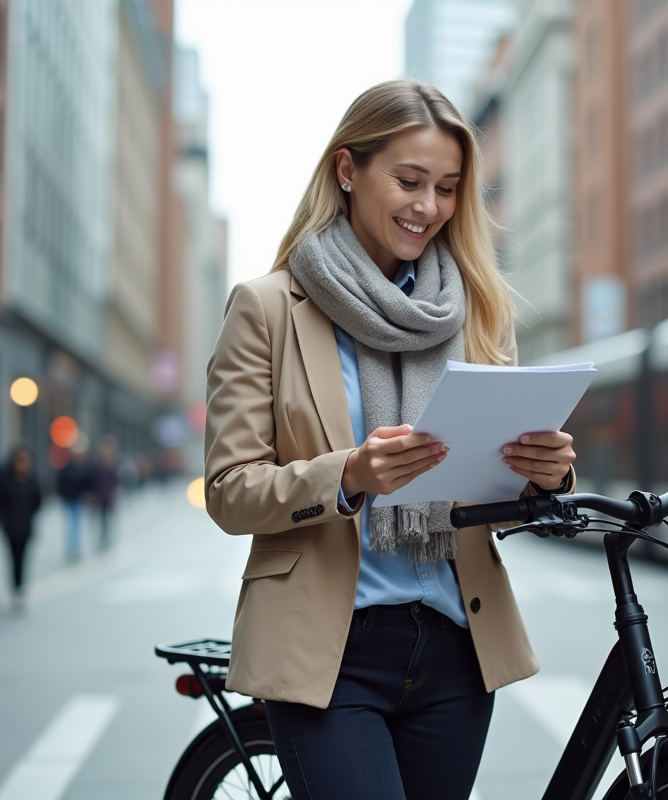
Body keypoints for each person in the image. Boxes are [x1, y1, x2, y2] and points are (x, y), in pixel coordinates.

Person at [203, 80, 577, 800]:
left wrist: (545, 474)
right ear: (347, 171)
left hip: (454, 649)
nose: (428, 206)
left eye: (446, 188)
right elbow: (229, 492)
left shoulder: (475, 310)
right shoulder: (268, 308)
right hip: (327, 651)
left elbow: (488, 486)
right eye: (409, 181)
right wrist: (350, 475)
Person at [0, 446, 42, 611]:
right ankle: (15, 588)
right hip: (10, 528)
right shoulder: (6, 481)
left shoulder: (32, 481)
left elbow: (38, 502)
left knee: (23, 559)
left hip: (26, 527)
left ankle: (21, 588)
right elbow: (0, 502)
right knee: (12, 559)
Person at [56, 445, 92, 561]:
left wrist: (86, 495)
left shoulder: (84, 468)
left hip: (79, 500)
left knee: (77, 524)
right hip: (68, 499)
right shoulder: (66, 468)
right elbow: (60, 483)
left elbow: (87, 483)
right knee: (70, 524)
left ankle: (75, 547)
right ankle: (70, 547)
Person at [91, 436, 118, 551]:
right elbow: (93, 482)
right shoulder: (97, 467)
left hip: (108, 498)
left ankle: (107, 537)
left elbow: (115, 482)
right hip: (99, 498)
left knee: (107, 519)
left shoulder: (111, 467)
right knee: (100, 519)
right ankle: (102, 538)